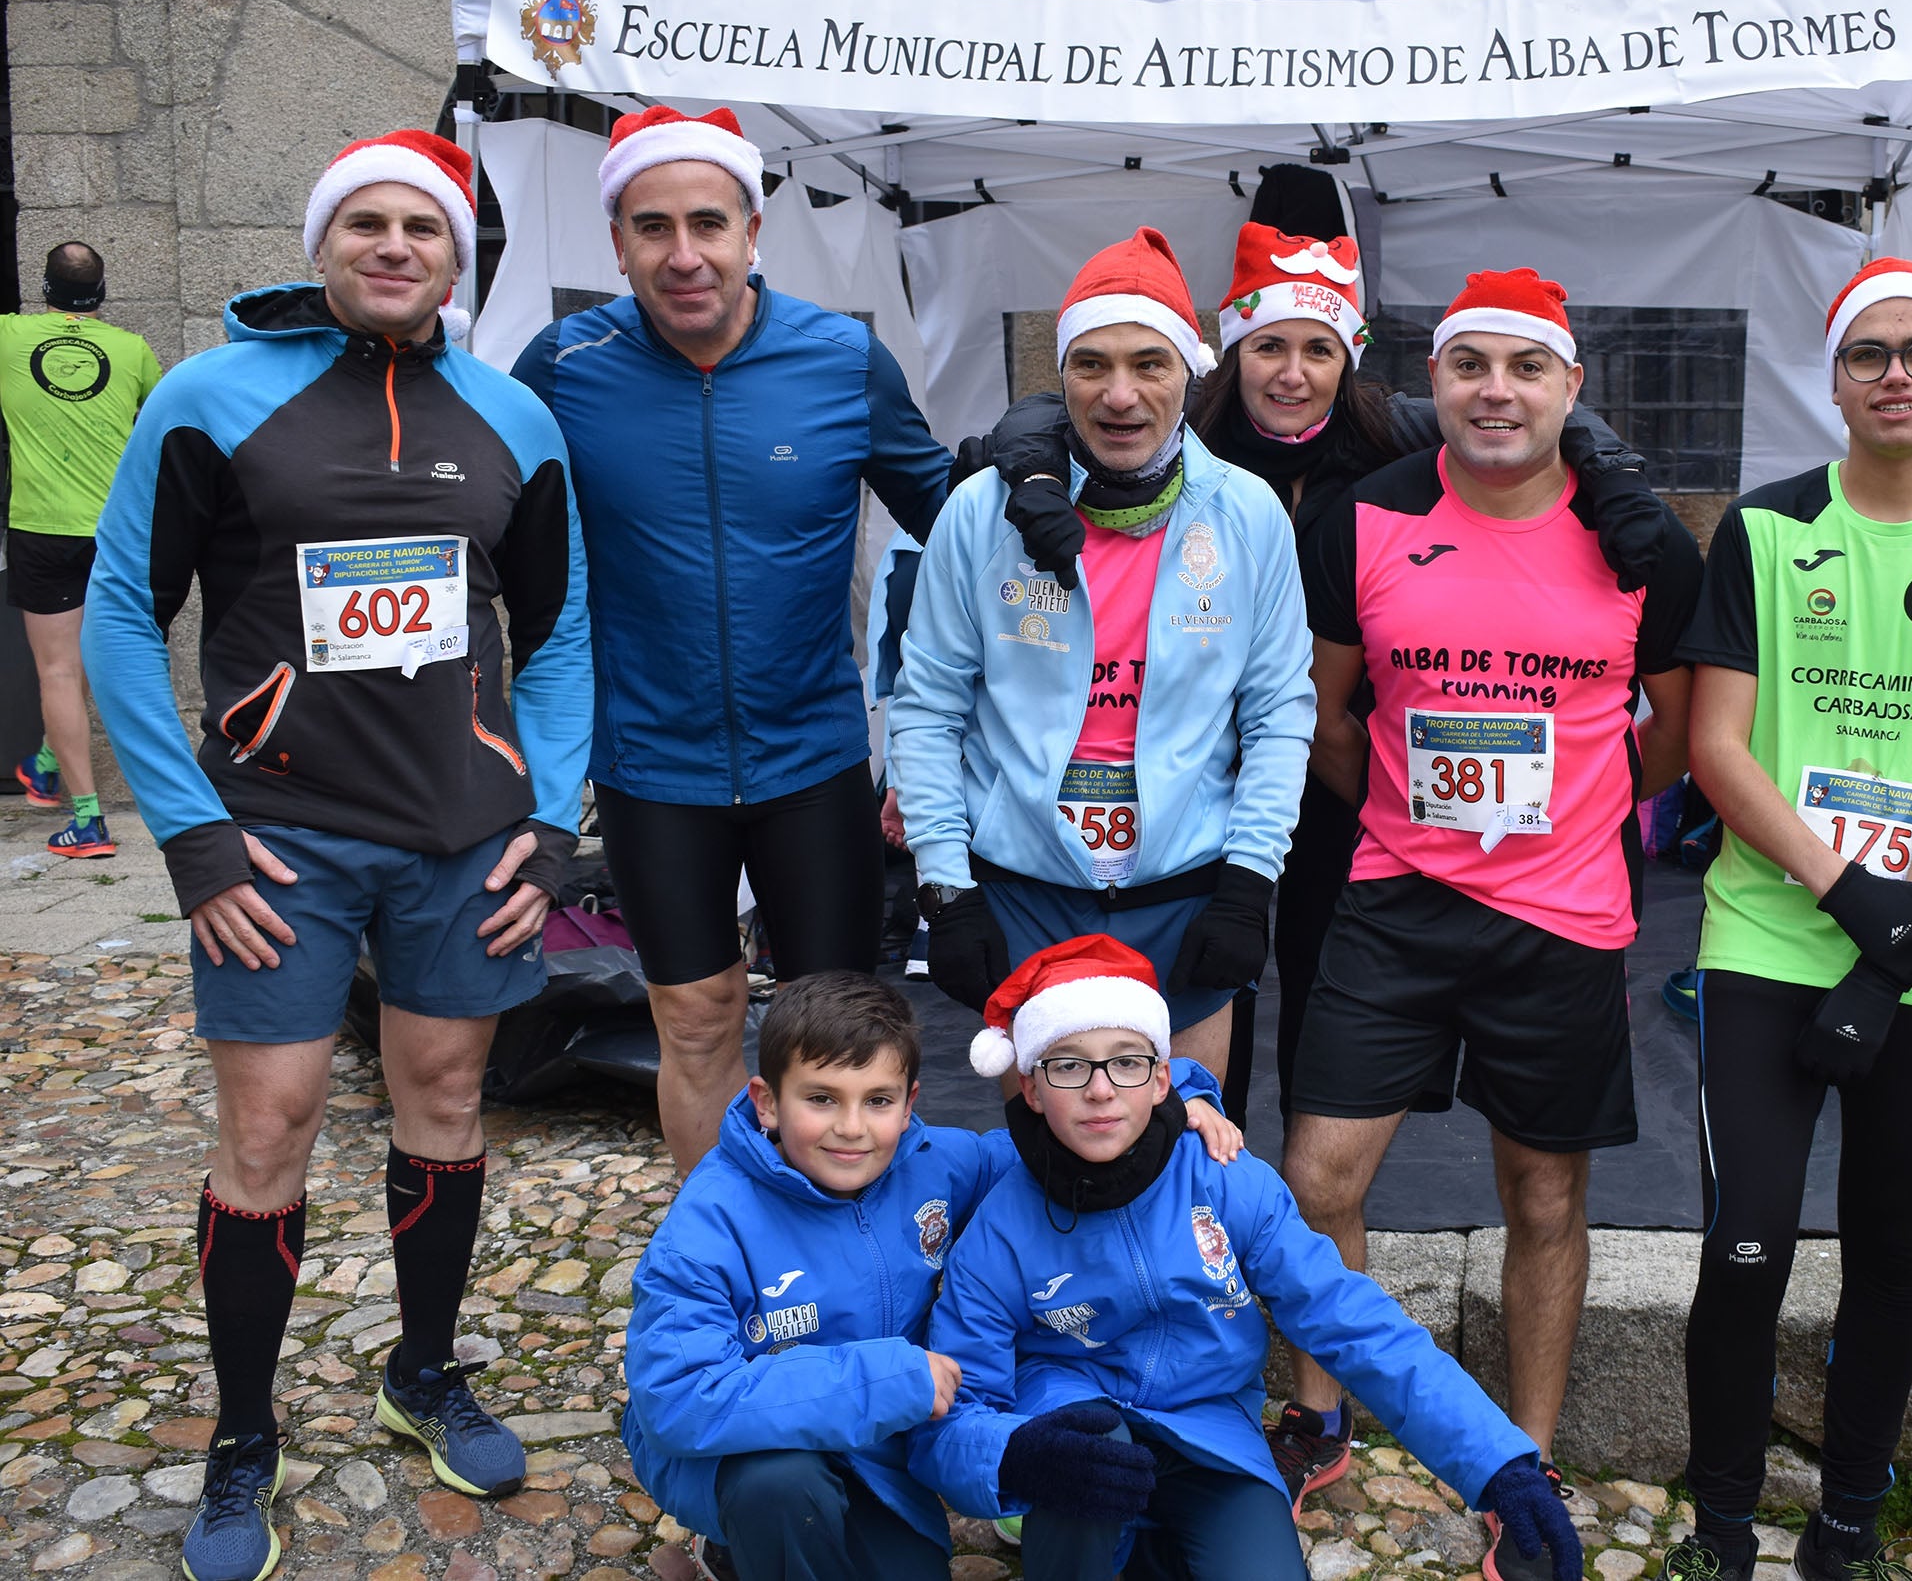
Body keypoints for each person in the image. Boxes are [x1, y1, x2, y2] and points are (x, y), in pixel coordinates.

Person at [80, 130, 592, 1581]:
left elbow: (562, 636)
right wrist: (189, 833)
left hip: (461, 842)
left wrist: (547, 824)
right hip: (277, 843)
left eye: (421, 228)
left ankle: (421, 1371)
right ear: (321, 244)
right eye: (363, 222)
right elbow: (125, 611)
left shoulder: (512, 419)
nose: (392, 246)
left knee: (444, 1097)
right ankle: (245, 1433)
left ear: (456, 258)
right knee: (271, 1126)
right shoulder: (208, 397)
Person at [996, 220, 1678, 1124]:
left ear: (1348, 360)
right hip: (1195, 774)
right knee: (1196, 997)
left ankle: (1269, 1198)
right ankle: (1186, 1190)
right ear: (1226, 351)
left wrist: (1614, 471)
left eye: (1319, 350)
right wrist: (1033, 457)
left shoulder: (1387, 436)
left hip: (1335, 768)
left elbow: (1530, 406)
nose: (1291, 373)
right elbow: (1050, 409)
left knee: (1318, 1000)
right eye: (1267, 345)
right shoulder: (1179, 436)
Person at [1278, 267, 1702, 1572]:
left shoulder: (1639, 540)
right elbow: (1330, 715)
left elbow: (1675, 732)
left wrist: (1568, 814)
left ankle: (1521, 1461)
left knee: (1544, 1194)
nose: (1496, 390)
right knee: (1314, 1181)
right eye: (1470, 365)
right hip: (1397, 898)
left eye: (1526, 367)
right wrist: (1425, 816)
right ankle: (1318, 1412)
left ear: (1571, 389)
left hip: (1561, 917)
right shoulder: (1360, 517)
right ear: (1434, 386)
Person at [1665, 259, 1912, 1580]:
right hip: (1773, 930)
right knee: (1749, 1236)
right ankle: (1721, 1511)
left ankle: (1847, 1516)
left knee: (1890, 1244)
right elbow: (1718, 748)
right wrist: (1846, 899)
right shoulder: (1767, 533)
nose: (1894, 372)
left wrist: (1890, 963)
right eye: (1866, 352)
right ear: (1832, 378)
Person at [511, 106, 953, 1173]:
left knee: (836, 1027)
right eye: (651, 227)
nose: (683, 254)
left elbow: (955, 519)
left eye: (708, 223)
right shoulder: (565, 368)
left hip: (811, 756)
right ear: (615, 242)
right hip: (654, 764)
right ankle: (713, 1259)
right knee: (700, 1018)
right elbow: (486, 529)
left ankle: (852, 1250)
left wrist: (1036, 462)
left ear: (754, 230)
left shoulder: (843, 359)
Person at [910, 935, 1585, 1581]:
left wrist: (1499, 1467)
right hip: (1073, 1435)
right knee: (1090, 1456)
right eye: (1067, 1065)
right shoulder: (999, 1227)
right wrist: (1019, 1457)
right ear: (1028, 1087)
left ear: (1161, 1079)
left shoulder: (1225, 1178)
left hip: (1208, 1431)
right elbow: (956, 1414)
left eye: (1126, 1061)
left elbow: (1349, 1319)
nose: (1099, 1089)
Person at [622, 968, 1248, 1581]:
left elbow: (1072, 1137)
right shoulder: (707, 1225)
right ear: (767, 1102)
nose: (851, 1128)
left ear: (910, 1103)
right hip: (735, 1453)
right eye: (820, 1099)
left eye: (878, 1101)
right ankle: (741, 1541)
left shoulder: (937, 1165)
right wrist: (889, 1377)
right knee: (781, 1487)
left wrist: (1180, 1095)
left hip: (872, 1447)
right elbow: (679, 1402)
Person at [888, 228, 1315, 1086]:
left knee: (1187, 1161)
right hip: (1024, 889)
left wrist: (1247, 883)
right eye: (1092, 365)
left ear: (1190, 371)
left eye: (1148, 364)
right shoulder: (981, 514)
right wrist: (947, 888)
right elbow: (928, 707)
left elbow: (1277, 714)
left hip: (1184, 890)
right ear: (1062, 375)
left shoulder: (1248, 513)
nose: (1119, 395)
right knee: (1042, 1167)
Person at [1, 240, 163, 855]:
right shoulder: (131, 350)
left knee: (59, 669)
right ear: (101, 293)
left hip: (43, 528)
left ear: (43, 288)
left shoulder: (10, 337)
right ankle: (45, 760)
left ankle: (88, 819)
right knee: (91, 658)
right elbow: (161, 424)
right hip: (117, 531)